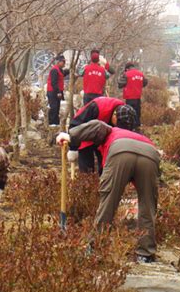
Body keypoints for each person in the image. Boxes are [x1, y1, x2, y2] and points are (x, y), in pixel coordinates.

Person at [57, 107, 160, 263]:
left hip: (120, 151)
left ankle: (95, 247)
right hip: (151, 154)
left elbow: (97, 126)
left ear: (114, 118)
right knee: (148, 204)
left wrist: (69, 136)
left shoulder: (111, 130)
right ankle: (145, 254)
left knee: (109, 201)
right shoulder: (142, 137)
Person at [68, 97, 132, 174]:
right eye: (118, 124)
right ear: (115, 116)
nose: (118, 127)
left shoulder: (125, 113)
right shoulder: (96, 107)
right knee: (87, 169)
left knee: (105, 167)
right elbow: (75, 127)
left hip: (104, 140)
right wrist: (73, 147)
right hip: (86, 136)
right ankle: (86, 182)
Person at [118, 62, 148, 128]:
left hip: (129, 98)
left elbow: (120, 84)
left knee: (129, 113)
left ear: (127, 69)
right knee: (137, 113)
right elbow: (145, 82)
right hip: (138, 97)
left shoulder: (126, 74)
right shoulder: (140, 74)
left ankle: (131, 128)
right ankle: (138, 127)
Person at [46, 55, 69, 126]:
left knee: (57, 108)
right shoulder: (54, 70)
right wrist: (58, 92)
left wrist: (69, 70)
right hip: (53, 91)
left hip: (57, 91)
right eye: (63, 62)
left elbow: (62, 74)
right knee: (54, 108)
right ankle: (52, 123)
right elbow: (54, 82)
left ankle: (56, 123)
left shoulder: (59, 70)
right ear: (59, 62)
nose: (64, 64)